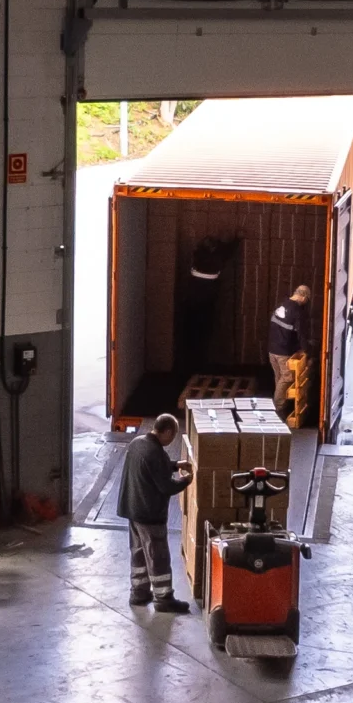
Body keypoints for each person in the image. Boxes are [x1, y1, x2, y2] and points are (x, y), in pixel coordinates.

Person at [117, 413, 193, 612]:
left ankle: (139, 593)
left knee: (139, 552)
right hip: (149, 514)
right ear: (167, 431)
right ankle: (163, 598)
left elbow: (150, 468)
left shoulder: (138, 443)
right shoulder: (155, 452)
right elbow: (166, 486)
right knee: (158, 555)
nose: (172, 440)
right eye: (173, 435)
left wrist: (175, 465)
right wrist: (186, 480)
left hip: (133, 510)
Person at [174, 236, 235, 373]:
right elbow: (229, 250)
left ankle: (187, 365)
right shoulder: (217, 258)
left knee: (190, 333)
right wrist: (237, 239)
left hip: (192, 301)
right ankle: (199, 364)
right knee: (203, 334)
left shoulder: (198, 255)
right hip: (205, 302)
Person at [268, 284, 312, 418]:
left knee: (279, 378)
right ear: (304, 297)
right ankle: (278, 408)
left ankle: (281, 406)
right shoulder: (297, 312)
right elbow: (302, 335)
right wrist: (307, 351)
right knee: (287, 378)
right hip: (283, 352)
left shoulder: (281, 305)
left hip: (272, 350)